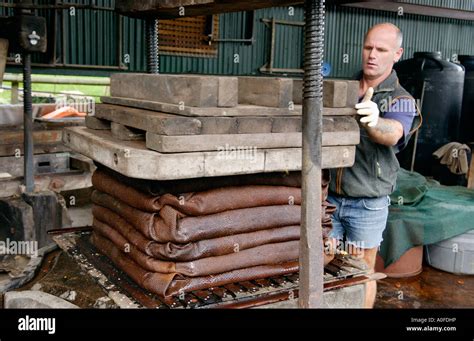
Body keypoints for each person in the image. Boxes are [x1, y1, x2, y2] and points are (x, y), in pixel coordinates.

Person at [327, 23, 421, 308]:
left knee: (362, 270)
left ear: (397, 54)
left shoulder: (402, 99)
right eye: (368, 47)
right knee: (322, 257)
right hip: (328, 197)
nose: (372, 55)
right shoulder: (342, 89)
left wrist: (374, 120)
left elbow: (392, 132)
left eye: (381, 50)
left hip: (367, 203)